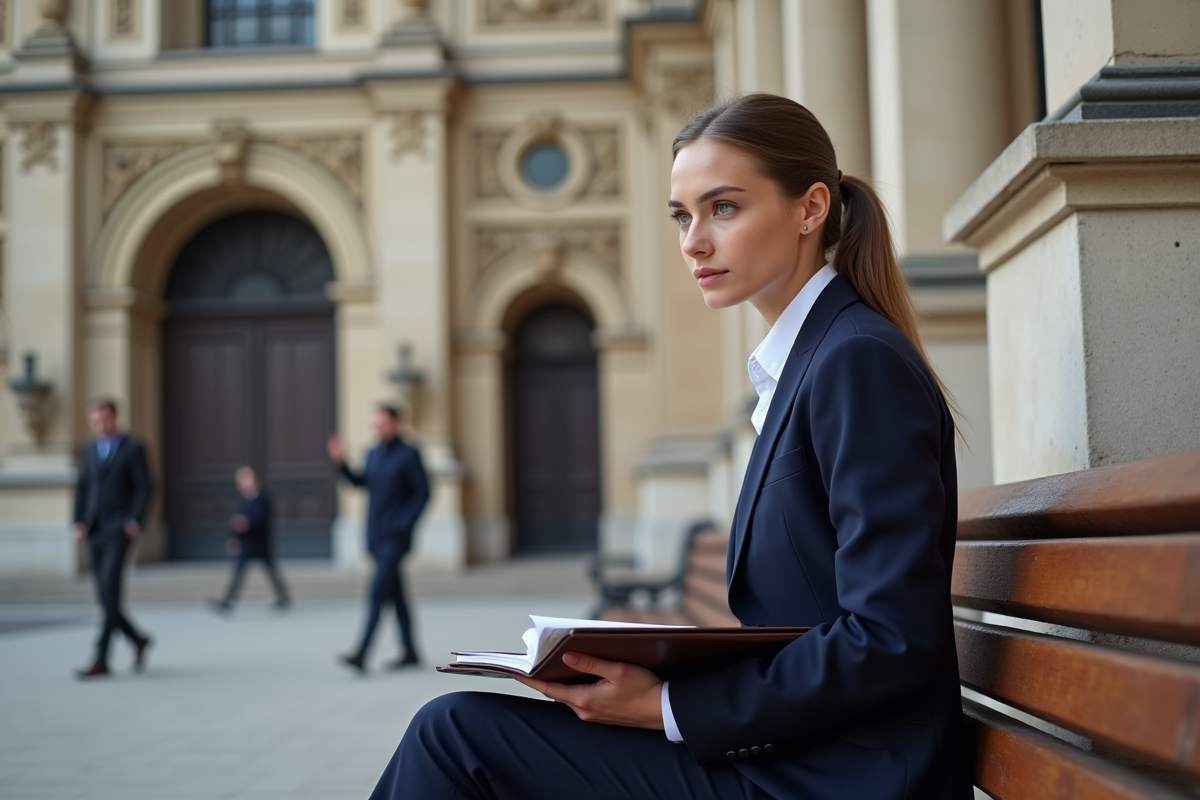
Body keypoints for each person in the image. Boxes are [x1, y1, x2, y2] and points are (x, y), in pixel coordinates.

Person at [368, 93, 972, 800]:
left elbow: (889, 633)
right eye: (684, 215)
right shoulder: (815, 360)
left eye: (724, 208)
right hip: (800, 755)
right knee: (459, 731)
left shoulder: (854, 360)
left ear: (810, 209)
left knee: (456, 736)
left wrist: (664, 708)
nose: (693, 242)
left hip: (842, 777)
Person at [328, 404, 430, 673]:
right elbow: (361, 483)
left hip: (394, 539)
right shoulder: (373, 453)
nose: (378, 428)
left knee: (377, 592)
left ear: (396, 423)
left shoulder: (409, 454)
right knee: (396, 595)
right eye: (375, 424)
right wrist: (341, 462)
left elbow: (422, 494)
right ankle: (410, 650)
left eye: (382, 423)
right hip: (374, 536)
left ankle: (361, 652)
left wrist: (402, 523)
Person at [72, 398, 154, 680]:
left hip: (119, 531)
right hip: (94, 529)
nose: (99, 424)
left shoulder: (133, 448)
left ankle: (100, 657)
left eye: (104, 418)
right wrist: (78, 522)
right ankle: (138, 639)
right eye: (94, 420)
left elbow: (145, 487)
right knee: (105, 596)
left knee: (110, 589)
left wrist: (134, 520)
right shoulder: (89, 450)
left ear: (115, 417)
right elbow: (83, 489)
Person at [208, 466, 290, 614]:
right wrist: (234, 538)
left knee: (270, 571)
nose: (243, 483)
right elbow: (237, 522)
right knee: (240, 572)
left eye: (245, 479)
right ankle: (228, 601)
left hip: (259, 543)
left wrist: (247, 523)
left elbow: (260, 519)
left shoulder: (262, 497)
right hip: (247, 544)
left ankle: (283, 597)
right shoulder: (245, 499)